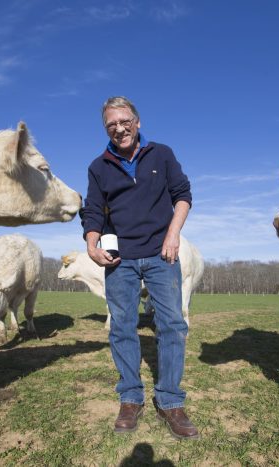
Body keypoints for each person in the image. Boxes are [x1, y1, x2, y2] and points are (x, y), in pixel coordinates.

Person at [81, 96, 199, 440]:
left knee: (173, 325)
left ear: (137, 121)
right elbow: (92, 210)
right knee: (121, 327)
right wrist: (91, 242)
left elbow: (183, 194)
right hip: (120, 258)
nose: (119, 129)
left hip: (162, 255)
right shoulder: (98, 167)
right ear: (107, 129)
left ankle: (170, 402)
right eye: (111, 125)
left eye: (124, 121)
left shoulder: (161, 154)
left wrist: (173, 235)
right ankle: (130, 398)